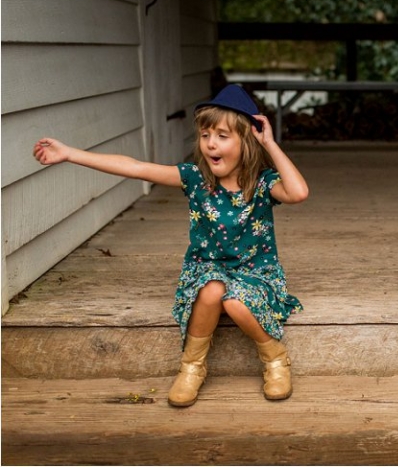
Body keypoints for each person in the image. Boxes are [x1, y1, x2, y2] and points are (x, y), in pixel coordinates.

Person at [33, 84, 309, 406]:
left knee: (235, 302)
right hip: (208, 269)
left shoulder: (262, 183)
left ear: (246, 141)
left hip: (255, 271)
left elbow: (298, 193)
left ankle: (275, 359)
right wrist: (70, 154)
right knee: (212, 290)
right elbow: (136, 167)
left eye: (222, 136)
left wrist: (271, 145)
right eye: (205, 135)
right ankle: (191, 367)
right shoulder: (195, 179)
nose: (210, 144)